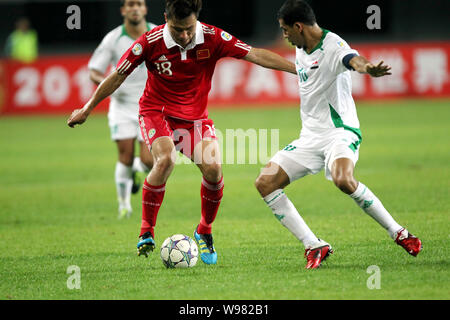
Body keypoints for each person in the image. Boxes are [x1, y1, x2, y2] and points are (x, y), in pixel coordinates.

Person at [67, 0, 297, 265]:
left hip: (195, 118)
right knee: (164, 160)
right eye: (178, 29)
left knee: (213, 169)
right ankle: (146, 231)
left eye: (189, 28)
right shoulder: (150, 42)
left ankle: (204, 230)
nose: (185, 35)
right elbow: (117, 75)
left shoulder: (212, 37)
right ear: (166, 19)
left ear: (197, 19)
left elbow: (255, 54)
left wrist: (297, 70)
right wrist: (87, 108)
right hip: (157, 111)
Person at [255, 0, 422, 269]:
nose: (284, 35)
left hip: (340, 132)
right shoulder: (302, 48)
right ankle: (314, 244)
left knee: (343, 180)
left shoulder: (334, 46)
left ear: (299, 27)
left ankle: (399, 232)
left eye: (286, 30)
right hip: (310, 137)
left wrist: (367, 68)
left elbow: (352, 59)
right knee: (265, 183)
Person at [88, 0, 156, 219]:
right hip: (122, 107)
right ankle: (124, 205)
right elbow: (94, 71)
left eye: (138, 4)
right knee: (124, 156)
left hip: (150, 105)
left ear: (145, 9)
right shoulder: (113, 39)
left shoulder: (157, 34)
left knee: (149, 160)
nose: (134, 8)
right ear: (123, 10)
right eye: (130, 4)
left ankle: (138, 170)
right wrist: (109, 85)